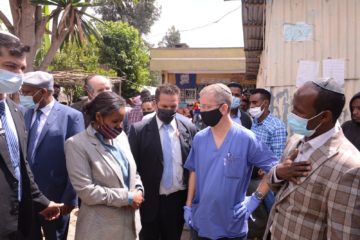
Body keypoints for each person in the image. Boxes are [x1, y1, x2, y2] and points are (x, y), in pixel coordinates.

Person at [263, 78, 360, 239]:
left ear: (324, 117)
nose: (292, 115)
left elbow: (343, 234)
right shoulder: (296, 140)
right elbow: (278, 191)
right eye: (293, 108)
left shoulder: (349, 167)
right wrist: (279, 173)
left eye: (299, 111)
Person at [184, 83, 278, 240]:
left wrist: (255, 199)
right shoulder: (200, 138)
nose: (202, 111)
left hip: (232, 224)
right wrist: (188, 205)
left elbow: (274, 169)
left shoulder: (246, 138)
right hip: (201, 220)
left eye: (207, 107)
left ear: (223, 108)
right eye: (201, 106)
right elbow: (193, 170)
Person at [0, 31, 63, 239]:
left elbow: (20, 164)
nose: (18, 74)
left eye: (22, 68)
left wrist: (41, 202)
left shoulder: (16, 111)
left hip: (21, 221)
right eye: (11, 66)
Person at [65, 91, 144, 240]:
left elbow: (132, 170)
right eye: (115, 121)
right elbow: (86, 191)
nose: (119, 126)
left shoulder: (121, 138)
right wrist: (126, 197)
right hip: (100, 230)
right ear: (99, 117)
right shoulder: (77, 145)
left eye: (122, 121)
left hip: (130, 226)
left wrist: (139, 189)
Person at [21, 71, 84, 240]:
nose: (23, 96)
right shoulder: (23, 113)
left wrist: (70, 200)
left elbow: (77, 161)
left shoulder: (71, 117)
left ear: (43, 92)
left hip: (56, 199)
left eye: (26, 92)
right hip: (26, 198)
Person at [128, 84, 197, 240]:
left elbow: (192, 165)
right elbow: (132, 167)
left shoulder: (189, 128)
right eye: (164, 106)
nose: (168, 109)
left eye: (173, 106)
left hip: (177, 201)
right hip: (148, 201)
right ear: (155, 104)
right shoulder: (138, 130)